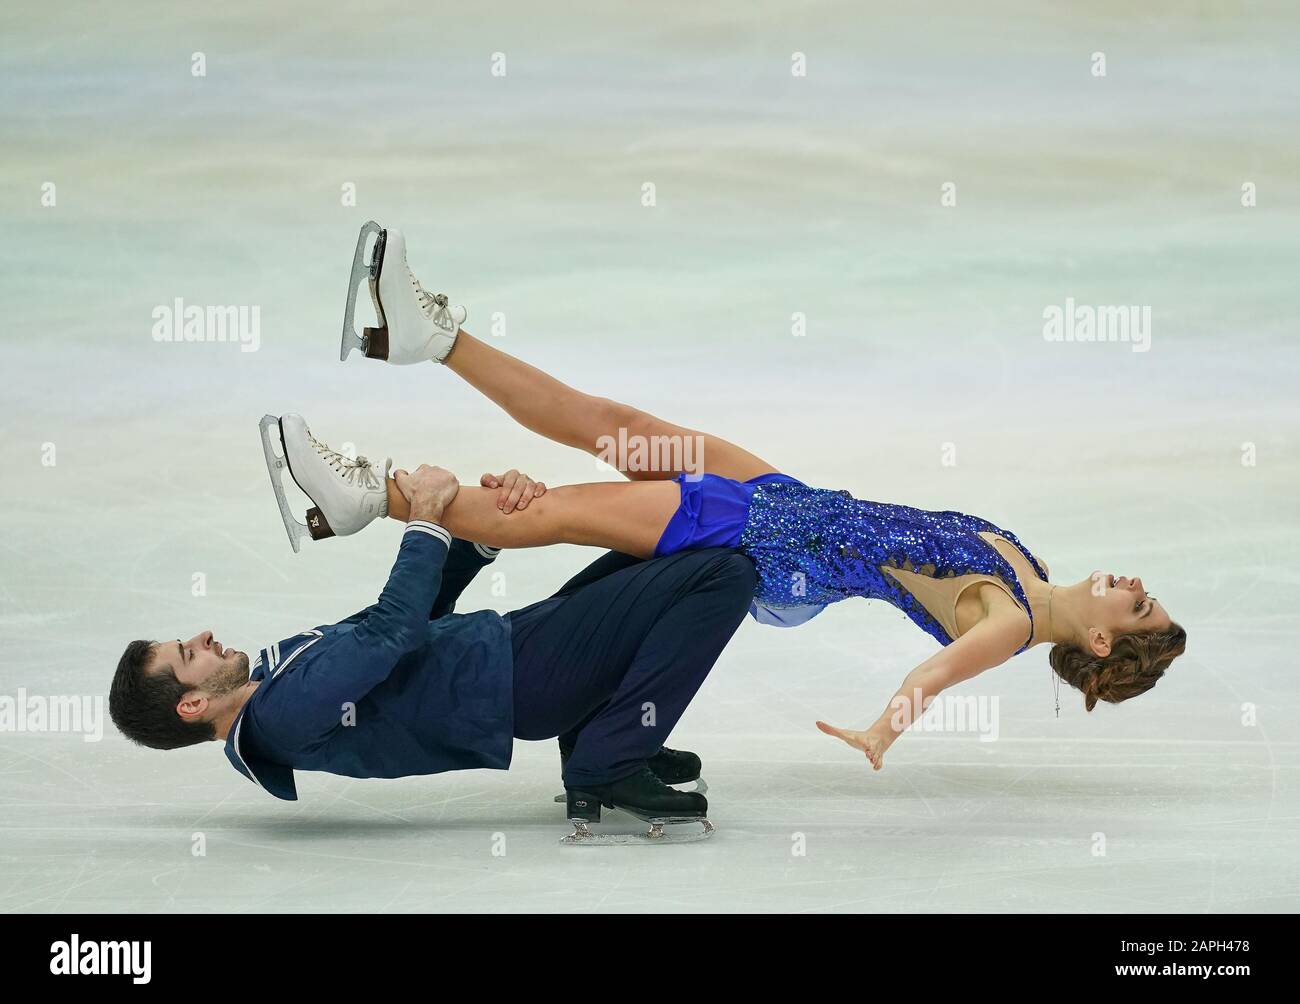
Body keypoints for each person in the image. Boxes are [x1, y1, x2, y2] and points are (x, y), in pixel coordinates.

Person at [312, 223, 1189, 772]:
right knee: (609, 423)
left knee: (555, 510)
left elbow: (932, 674)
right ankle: (426, 332)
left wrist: (882, 730)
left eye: (1136, 602)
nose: (1131, 579)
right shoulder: (1026, 566)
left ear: (1105, 636)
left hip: (771, 541)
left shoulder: (1007, 623)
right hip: (785, 496)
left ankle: (364, 499)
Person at [109, 457, 756, 843]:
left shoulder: (275, 677)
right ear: (192, 705)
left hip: (517, 648)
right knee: (721, 572)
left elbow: (407, 621)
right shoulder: (279, 720)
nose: (201, 637)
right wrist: (424, 517)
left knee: (670, 542)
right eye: (185, 652)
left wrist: (481, 536)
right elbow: (388, 633)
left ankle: (598, 734)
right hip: (524, 677)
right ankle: (609, 758)